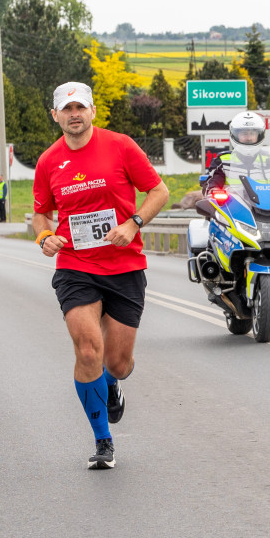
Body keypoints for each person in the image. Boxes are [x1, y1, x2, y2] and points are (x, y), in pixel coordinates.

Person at [32, 81, 169, 469]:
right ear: (55, 115)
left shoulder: (121, 145)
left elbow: (159, 191)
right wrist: (44, 235)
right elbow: (40, 212)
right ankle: (103, 440)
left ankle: (112, 385)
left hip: (125, 265)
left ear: (92, 110)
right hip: (76, 267)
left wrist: (134, 223)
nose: (74, 114)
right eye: (66, 108)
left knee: (118, 364)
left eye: (80, 106)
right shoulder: (48, 161)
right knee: (88, 349)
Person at [203, 111, 270, 195]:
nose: (249, 138)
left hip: (269, 210)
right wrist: (214, 190)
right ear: (235, 135)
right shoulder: (223, 160)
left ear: (260, 135)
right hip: (231, 210)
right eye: (244, 134)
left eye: (252, 134)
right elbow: (212, 183)